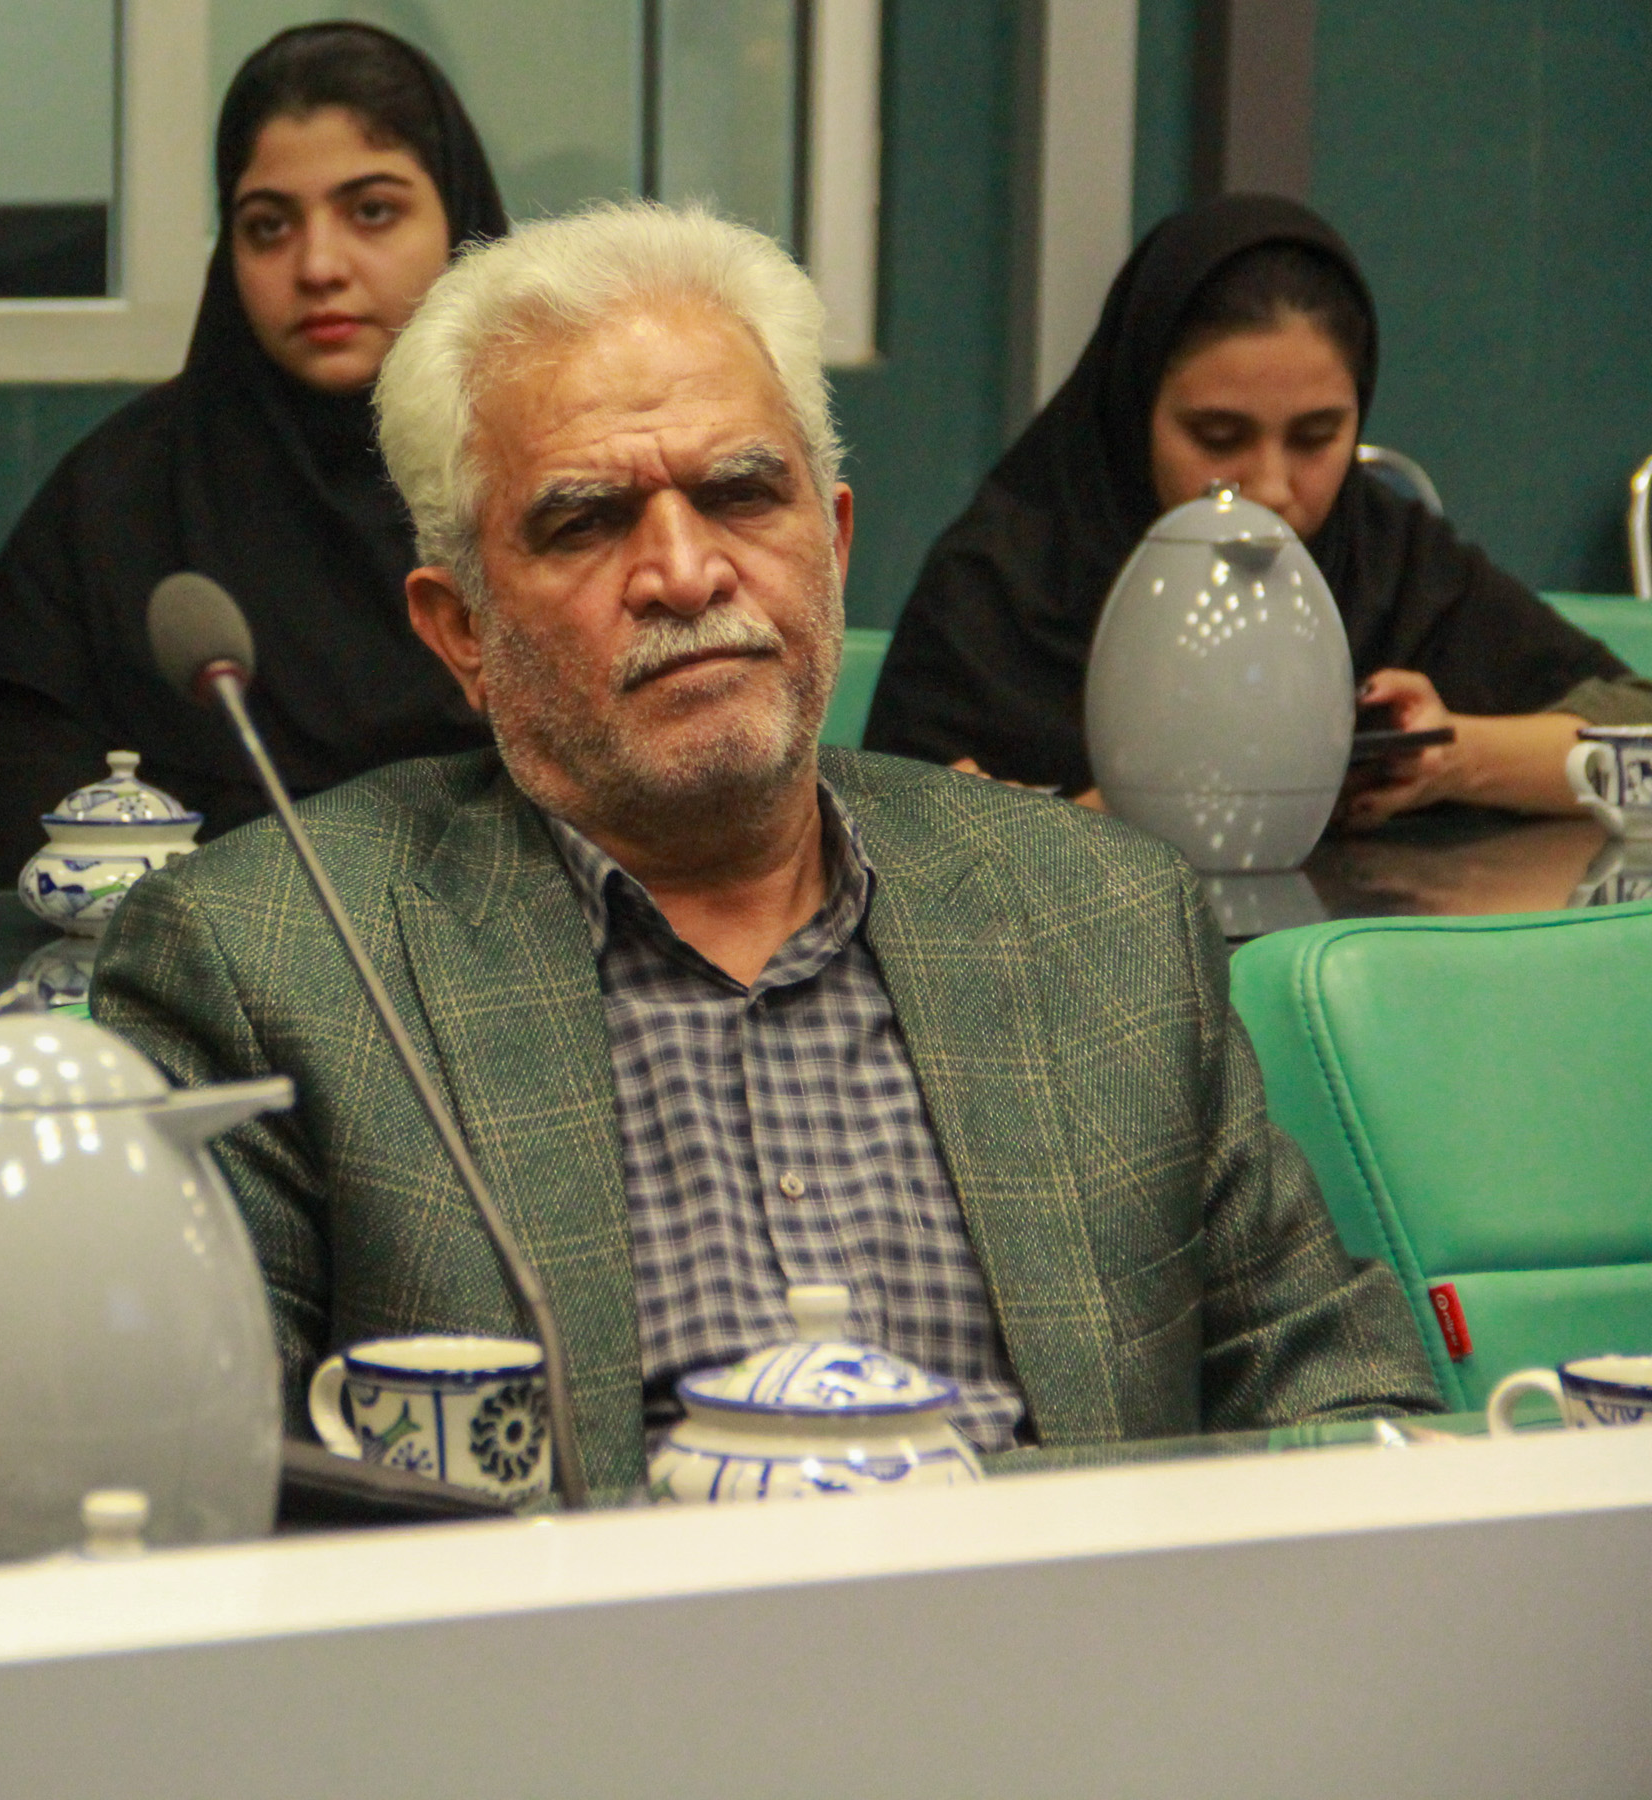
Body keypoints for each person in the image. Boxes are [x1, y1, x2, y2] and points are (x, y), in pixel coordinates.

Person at [90, 202, 1439, 1498]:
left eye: (742, 494)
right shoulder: (278, 963)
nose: (685, 573)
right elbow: (188, 1496)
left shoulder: (1099, 918)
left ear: (833, 547)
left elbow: (1347, 1407)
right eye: (586, 521)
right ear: (462, 632)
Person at [867, 193, 1652, 820]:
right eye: (1217, 436)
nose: (1271, 487)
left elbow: (1639, 746)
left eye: (1316, 437)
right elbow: (879, 866)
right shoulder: (1001, 587)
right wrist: (1129, 810)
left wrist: (1451, 758)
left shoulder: (1389, 560)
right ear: (1135, 415)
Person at [0, 22, 504, 882]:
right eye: (268, 226)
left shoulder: (555, 479)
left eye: (372, 212)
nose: (318, 266)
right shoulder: (123, 500)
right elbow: (46, 829)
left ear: (458, 221)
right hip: (194, 959)